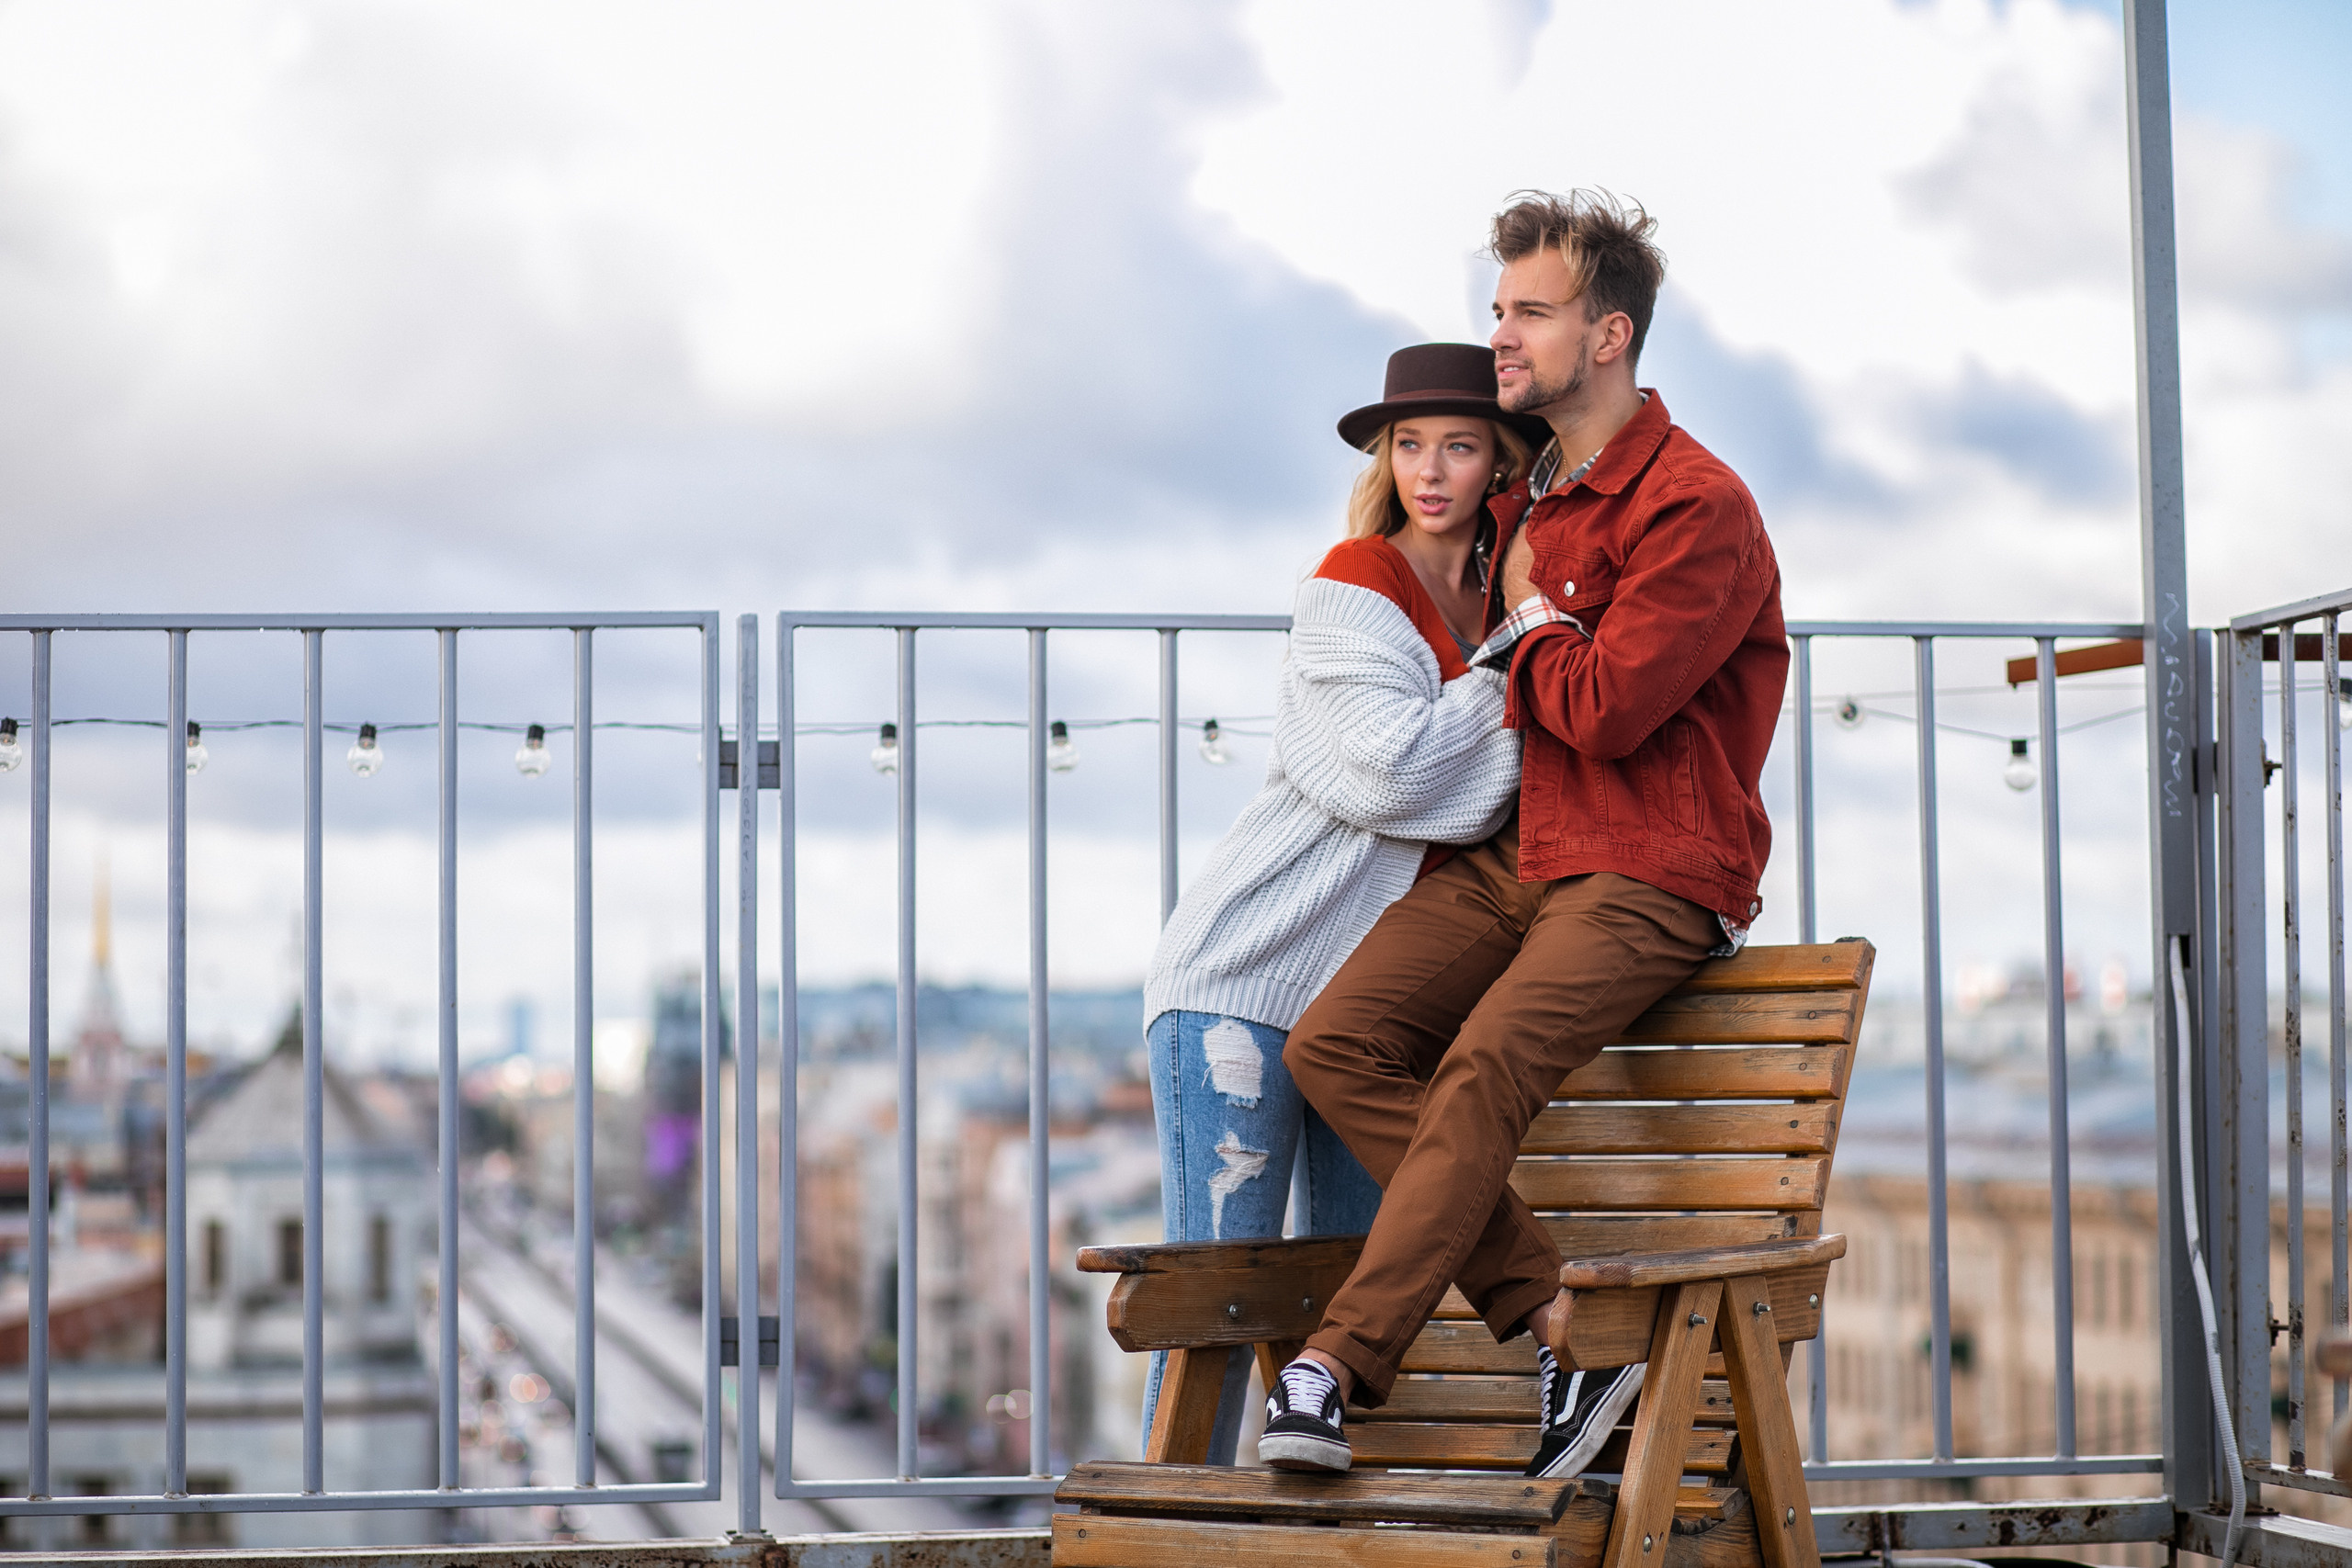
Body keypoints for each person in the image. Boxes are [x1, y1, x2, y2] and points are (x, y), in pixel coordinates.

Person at [1257, 191, 1789, 1479]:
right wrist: (1519, 617)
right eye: (1498, 308)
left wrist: (1533, 627)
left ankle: (1334, 1365)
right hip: (1525, 850)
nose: (1503, 334)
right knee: (1337, 1041)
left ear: (1608, 335)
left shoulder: (1692, 503)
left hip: (1653, 863)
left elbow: (1605, 706)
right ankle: (1562, 1323)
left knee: (1482, 1055)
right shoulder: (1524, 495)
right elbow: (1503, 656)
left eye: (1531, 311)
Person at [1140, 342, 1545, 1462]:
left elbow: (1476, 792)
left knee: (1348, 1301)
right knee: (1216, 1302)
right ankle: (1172, 1524)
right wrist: (1514, 667)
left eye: (1459, 445)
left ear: (1503, 462)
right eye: (1407, 444)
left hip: (1371, 1015)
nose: (1429, 469)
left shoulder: (1503, 600)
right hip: (1245, 980)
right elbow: (1397, 777)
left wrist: (1502, 656)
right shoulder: (1353, 583)